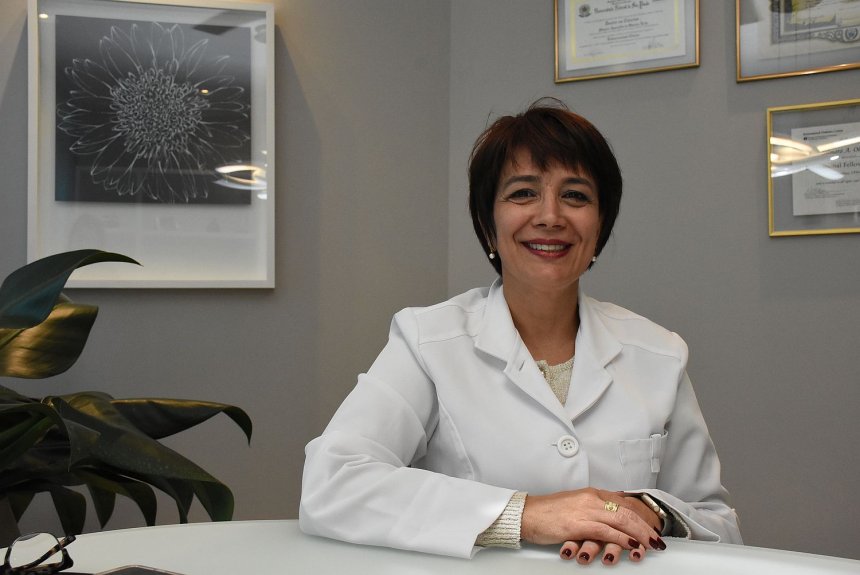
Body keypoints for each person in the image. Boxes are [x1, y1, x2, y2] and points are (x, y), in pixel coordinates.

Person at [299, 99, 742, 565]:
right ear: (488, 225)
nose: (550, 216)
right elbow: (333, 483)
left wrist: (650, 510)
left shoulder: (659, 353)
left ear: (600, 226)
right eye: (523, 193)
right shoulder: (427, 340)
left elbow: (721, 526)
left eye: (576, 196)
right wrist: (525, 514)